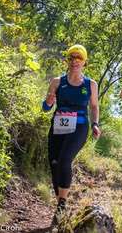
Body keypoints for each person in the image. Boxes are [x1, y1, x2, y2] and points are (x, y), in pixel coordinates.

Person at [42, 44, 101, 222]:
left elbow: (94, 107)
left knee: (64, 160)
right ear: (67, 61)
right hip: (58, 127)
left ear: (84, 62)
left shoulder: (91, 84)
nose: (75, 61)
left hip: (80, 127)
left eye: (79, 58)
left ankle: (62, 205)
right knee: (54, 164)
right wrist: (49, 101)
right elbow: (46, 108)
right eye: (72, 58)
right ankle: (60, 202)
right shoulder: (57, 82)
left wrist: (96, 124)